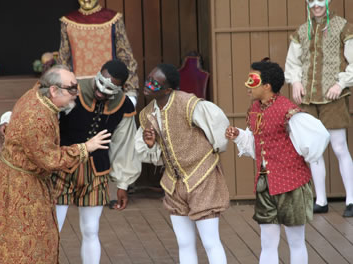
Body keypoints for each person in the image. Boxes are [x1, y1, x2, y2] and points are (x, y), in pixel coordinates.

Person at [0, 65, 111, 263]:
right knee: (28, 242)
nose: (76, 94)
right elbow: (50, 159)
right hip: (21, 185)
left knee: (25, 238)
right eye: (71, 89)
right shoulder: (37, 116)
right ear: (53, 90)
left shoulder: (37, 93)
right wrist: (86, 147)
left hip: (20, 177)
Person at [226, 59, 329, 264]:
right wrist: (239, 135)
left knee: (296, 241)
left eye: (252, 80)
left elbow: (318, 136)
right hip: (265, 185)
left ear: (267, 86)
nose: (247, 85)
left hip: (292, 185)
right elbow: (258, 145)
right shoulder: (255, 109)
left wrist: (302, 159)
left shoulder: (289, 111)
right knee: (267, 242)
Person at [135, 63, 230, 264]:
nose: (148, 84)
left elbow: (219, 128)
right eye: (148, 79)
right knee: (184, 242)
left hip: (202, 178)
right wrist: (150, 145)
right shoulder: (147, 114)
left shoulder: (188, 104)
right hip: (174, 183)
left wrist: (211, 154)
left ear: (168, 89)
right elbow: (145, 151)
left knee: (210, 241)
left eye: (154, 83)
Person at [51, 60, 141, 264]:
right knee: (53, 227)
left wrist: (123, 183)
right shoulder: (72, 91)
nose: (100, 92)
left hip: (96, 171)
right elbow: (44, 115)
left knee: (91, 229)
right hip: (63, 166)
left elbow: (124, 145)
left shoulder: (124, 105)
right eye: (100, 83)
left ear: (120, 88)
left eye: (109, 88)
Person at [285, 0, 353, 217]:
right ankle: (321, 200)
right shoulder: (301, 31)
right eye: (311, 1)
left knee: (340, 148)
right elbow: (293, 63)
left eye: (320, 1)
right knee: (313, 151)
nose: (316, 5)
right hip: (308, 99)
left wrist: (340, 83)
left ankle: (351, 199)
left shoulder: (343, 27)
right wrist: (295, 81)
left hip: (333, 97)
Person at [58, 0, 139, 106]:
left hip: (110, 88)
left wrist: (131, 92)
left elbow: (126, 57)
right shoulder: (68, 21)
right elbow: (64, 59)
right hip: (79, 91)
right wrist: (62, 91)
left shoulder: (113, 19)